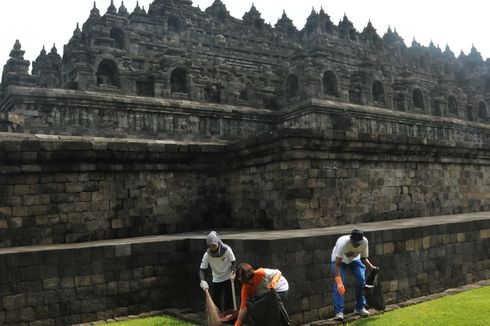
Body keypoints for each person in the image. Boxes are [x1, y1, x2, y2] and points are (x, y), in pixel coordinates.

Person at [331, 229, 378, 321]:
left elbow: (364, 258)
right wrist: (339, 281)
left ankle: (360, 307)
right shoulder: (343, 243)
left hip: (354, 259)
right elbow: (337, 264)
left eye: (358, 243)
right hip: (339, 260)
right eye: (354, 242)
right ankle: (339, 312)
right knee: (340, 284)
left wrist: (371, 267)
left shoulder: (364, 242)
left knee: (361, 280)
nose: (355, 244)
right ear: (350, 239)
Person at [199, 231, 237, 312]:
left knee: (228, 300)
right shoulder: (207, 254)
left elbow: (233, 261)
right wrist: (202, 281)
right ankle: (219, 319)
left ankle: (230, 320)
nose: (212, 248)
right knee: (216, 300)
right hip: (216, 278)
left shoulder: (226, 250)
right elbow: (202, 269)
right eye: (210, 246)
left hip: (228, 277)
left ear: (218, 243)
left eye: (214, 245)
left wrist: (233, 271)